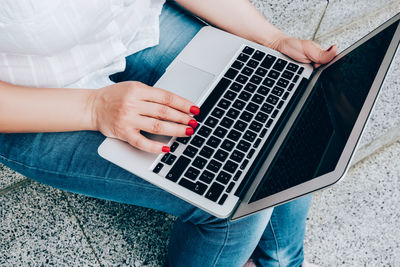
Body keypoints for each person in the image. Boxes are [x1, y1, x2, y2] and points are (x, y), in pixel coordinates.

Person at [0, 0, 337, 266]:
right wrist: (95, 108)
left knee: (292, 116)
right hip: (31, 97)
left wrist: (273, 39)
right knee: (234, 205)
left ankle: (282, 262)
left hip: (132, 28)